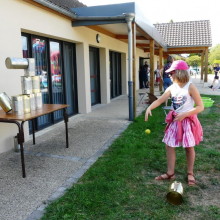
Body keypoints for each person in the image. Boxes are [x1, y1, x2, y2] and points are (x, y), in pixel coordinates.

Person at [145, 60, 204, 186]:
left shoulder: (190, 86)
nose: (169, 76)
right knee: (169, 146)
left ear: (179, 73)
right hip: (175, 121)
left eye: (171, 73)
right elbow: (160, 100)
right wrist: (149, 107)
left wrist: (185, 114)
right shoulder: (172, 88)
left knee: (189, 147)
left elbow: (200, 106)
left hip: (187, 121)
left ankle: (190, 173)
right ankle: (170, 172)